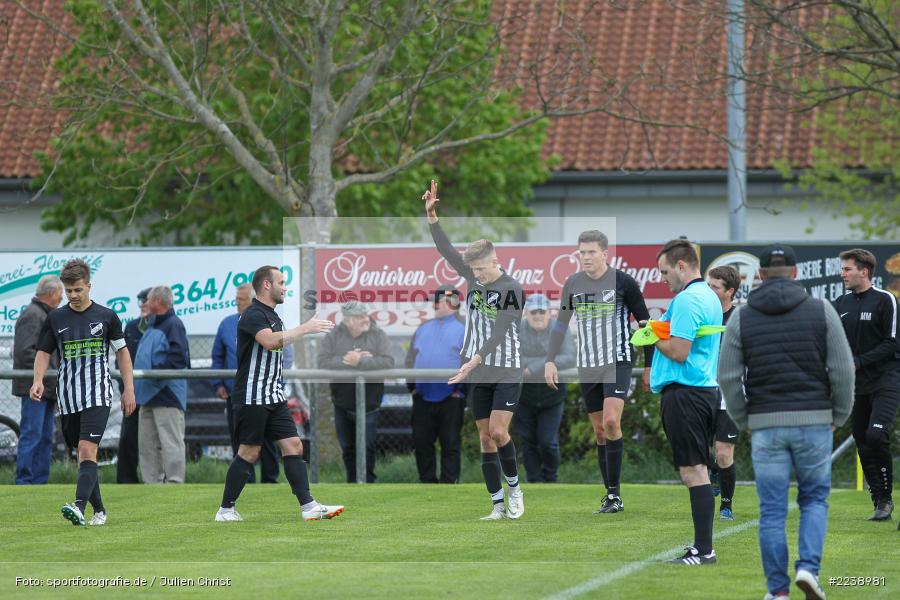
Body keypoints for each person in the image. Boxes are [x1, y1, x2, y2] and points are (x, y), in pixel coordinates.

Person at [719, 244, 854, 600]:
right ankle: (808, 568)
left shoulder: (741, 317)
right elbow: (843, 370)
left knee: (772, 511)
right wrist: (837, 416)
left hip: (765, 424)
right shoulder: (821, 310)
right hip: (814, 421)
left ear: (759, 275)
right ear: (797, 273)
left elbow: (728, 377)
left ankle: (777, 592)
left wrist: (744, 418)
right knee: (814, 500)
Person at [424, 180, 526, 520]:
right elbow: (446, 251)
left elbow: (500, 332)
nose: (477, 275)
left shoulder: (512, 288)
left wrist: (474, 361)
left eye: (481, 269)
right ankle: (497, 505)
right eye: (473, 270)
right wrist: (432, 216)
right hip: (477, 369)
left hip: (505, 367)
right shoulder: (472, 276)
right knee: (484, 439)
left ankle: (514, 490)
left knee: (499, 432)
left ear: (494, 261)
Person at [215, 265, 341, 522]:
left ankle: (308, 507)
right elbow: (270, 341)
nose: (285, 287)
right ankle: (226, 510)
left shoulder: (273, 315)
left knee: (293, 445)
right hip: (252, 396)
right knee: (249, 452)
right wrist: (305, 328)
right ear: (266, 285)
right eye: (281, 282)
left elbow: (279, 342)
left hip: (273, 395)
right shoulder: (253, 314)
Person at [545, 230, 653, 513]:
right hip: (588, 365)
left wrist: (650, 367)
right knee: (599, 431)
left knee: (611, 422)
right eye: (581, 252)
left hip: (617, 361)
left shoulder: (624, 282)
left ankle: (615, 496)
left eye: (591, 252)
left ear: (605, 254)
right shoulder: (573, 283)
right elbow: (560, 324)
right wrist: (550, 360)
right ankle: (610, 494)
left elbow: (646, 325)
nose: (585, 257)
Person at [31, 258, 136, 526]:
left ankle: (78, 506)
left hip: (98, 395)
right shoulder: (55, 318)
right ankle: (99, 510)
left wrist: (128, 389)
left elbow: (122, 353)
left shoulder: (107, 316)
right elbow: (43, 352)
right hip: (68, 399)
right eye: (69, 291)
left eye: (78, 290)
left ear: (89, 286)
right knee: (82, 453)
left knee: (88, 450)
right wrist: (38, 380)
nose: (74, 296)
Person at [648, 239, 722, 565]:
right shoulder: (706, 295)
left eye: (665, 271)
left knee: (694, 471)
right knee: (697, 468)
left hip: (687, 393)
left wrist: (652, 333)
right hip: (700, 391)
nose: (663, 278)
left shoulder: (689, 299)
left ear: (681, 266)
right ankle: (702, 547)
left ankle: (704, 550)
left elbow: (678, 350)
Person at [833, 248, 900, 521]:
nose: (843, 274)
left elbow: (893, 343)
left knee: (875, 435)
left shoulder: (886, 301)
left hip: (886, 381)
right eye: (842, 269)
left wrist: (858, 361)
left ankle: (886, 498)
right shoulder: (840, 303)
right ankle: (878, 499)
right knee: (862, 440)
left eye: (847, 269)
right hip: (856, 386)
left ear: (865, 271)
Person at [213, 283, 283, 483]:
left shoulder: (269, 321)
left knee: (268, 440)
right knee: (241, 440)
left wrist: (277, 381)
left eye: (241, 300)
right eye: (236, 299)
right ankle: (246, 480)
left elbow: (282, 354)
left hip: (265, 392)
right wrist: (218, 383)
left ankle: (270, 480)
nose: (237, 303)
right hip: (237, 393)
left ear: (252, 300)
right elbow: (217, 356)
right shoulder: (227, 324)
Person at [318, 300, 394, 483]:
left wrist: (361, 361)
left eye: (365, 315)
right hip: (342, 403)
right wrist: (346, 360)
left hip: (369, 404)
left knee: (367, 448)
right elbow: (322, 362)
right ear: (347, 320)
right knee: (349, 448)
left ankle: (367, 483)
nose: (365, 319)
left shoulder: (378, 335)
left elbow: (388, 362)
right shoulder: (333, 335)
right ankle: (352, 484)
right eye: (359, 317)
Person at [405, 285, 467, 484]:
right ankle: (427, 484)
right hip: (423, 396)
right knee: (422, 443)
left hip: (451, 397)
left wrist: (461, 391)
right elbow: (410, 359)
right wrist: (412, 388)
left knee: (450, 444)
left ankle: (450, 484)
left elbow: (472, 362)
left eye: (439, 300)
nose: (435, 304)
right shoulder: (423, 328)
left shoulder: (465, 328)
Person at [134, 285, 190, 484]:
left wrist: (154, 372)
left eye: (148, 299)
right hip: (147, 394)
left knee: (170, 443)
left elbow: (178, 359)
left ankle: (174, 483)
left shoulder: (173, 324)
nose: (145, 303)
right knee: (146, 444)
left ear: (158, 301)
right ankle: (152, 485)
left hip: (166, 394)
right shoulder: (153, 325)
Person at [518, 293, 574, 483]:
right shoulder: (517, 329)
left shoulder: (561, 330)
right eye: (534, 312)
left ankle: (551, 479)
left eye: (542, 311)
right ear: (526, 313)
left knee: (547, 442)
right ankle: (533, 481)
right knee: (527, 441)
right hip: (523, 395)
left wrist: (534, 366)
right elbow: (512, 357)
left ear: (550, 313)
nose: (538, 316)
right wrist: (546, 362)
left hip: (553, 395)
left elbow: (569, 358)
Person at [13, 275, 63, 484]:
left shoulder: (43, 315)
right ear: (51, 294)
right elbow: (26, 353)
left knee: (44, 437)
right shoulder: (33, 315)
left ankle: (40, 482)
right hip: (36, 387)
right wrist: (43, 377)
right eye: (60, 295)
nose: (62, 300)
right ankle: (25, 481)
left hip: (46, 386)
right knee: (32, 434)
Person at [706, 265, 741, 520]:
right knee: (695, 447)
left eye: (714, 287)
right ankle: (715, 470)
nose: (709, 291)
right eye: (708, 285)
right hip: (701, 390)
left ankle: (726, 505)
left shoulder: (741, 319)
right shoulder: (701, 315)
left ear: (729, 291)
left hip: (731, 392)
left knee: (724, 451)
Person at [116, 287, 150, 483]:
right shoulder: (131, 327)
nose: (144, 304)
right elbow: (120, 358)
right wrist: (126, 389)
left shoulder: (163, 326)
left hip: (153, 395)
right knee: (128, 438)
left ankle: (154, 479)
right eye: (141, 301)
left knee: (152, 441)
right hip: (132, 393)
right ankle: (126, 480)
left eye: (147, 300)